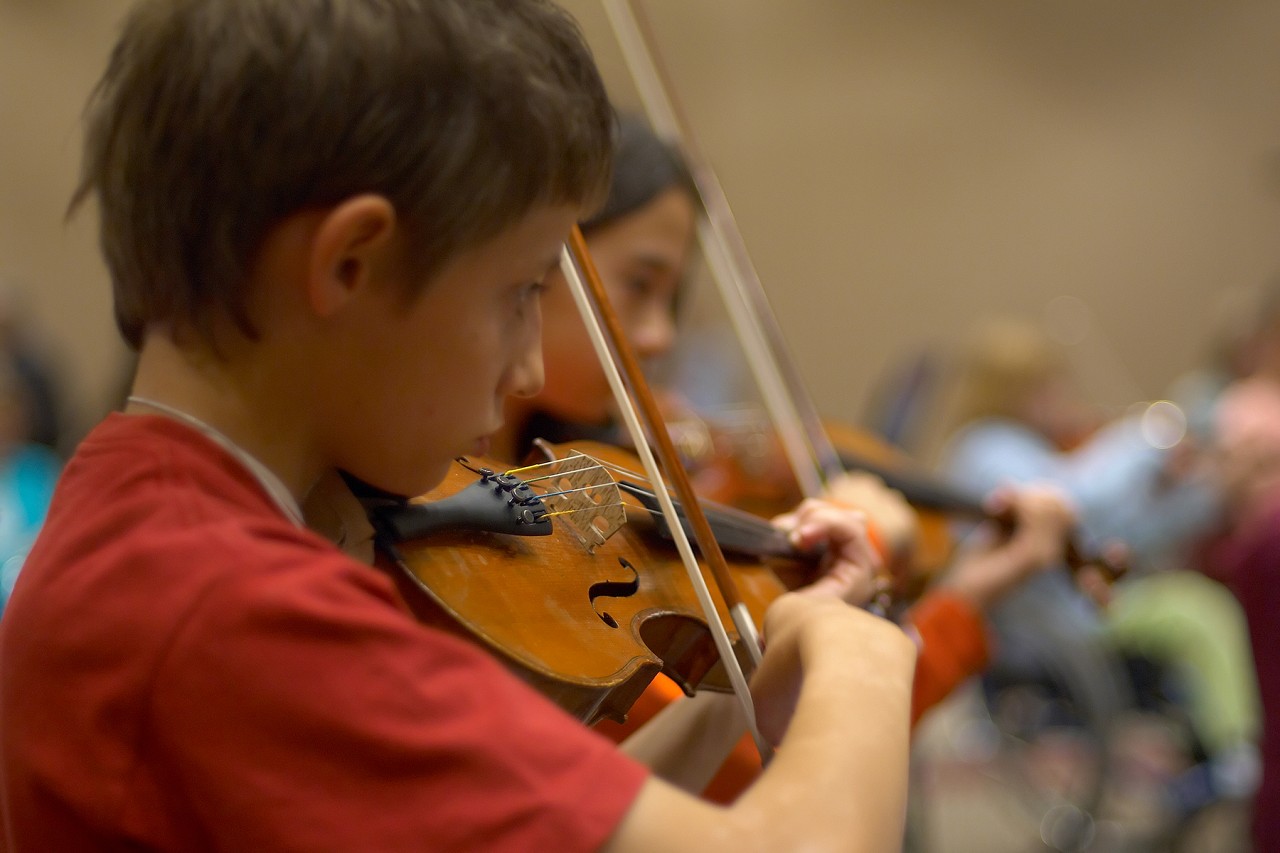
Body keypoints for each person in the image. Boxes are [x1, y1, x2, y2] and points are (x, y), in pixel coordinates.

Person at [0, 1, 937, 849]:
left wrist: (746, 688)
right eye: (521, 291)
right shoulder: (229, 605)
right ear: (351, 265)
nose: (528, 365)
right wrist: (864, 663)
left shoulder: (149, 515)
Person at [482, 113, 1088, 802]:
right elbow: (762, 768)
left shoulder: (595, 480)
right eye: (638, 285)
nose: (656, 336)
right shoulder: (514, 549)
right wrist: (946, 600)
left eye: (671, 298)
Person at [937, 316, 1259, 823]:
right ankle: (1239, 756)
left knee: (1196, 607)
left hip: (1078, 607)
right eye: (1045, 385)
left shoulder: (1030, 447)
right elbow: (1071, 498)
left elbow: (1119, 535)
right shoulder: (984, 446)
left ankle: (1217, 755)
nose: (1060, 396)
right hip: (1050, 627)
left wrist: (1202, 492)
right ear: (1009, 389)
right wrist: (1148, 434)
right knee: (1199, 611)